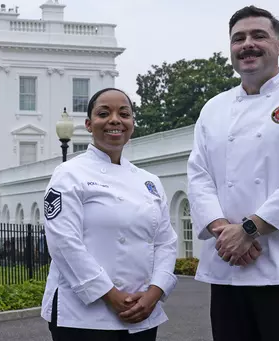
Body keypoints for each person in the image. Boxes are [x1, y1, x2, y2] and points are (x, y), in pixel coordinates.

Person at [187, 5, 279, 341]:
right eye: (238, 38)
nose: (248, 44)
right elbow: (198, 176)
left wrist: (250, 229)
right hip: (228, 268)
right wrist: (221, 229)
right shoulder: (213, 108)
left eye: (259, 35)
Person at [41, 88, 178, 341]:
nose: (115, 120)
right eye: (104, 113)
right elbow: (63, 243)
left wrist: (155, 292)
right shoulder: (69, 174)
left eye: (124, 114)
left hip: (142, 312)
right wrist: (110, 294)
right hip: (84, 316)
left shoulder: (150, 181)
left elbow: (166, 242)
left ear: (132, 124)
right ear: (89, 125)